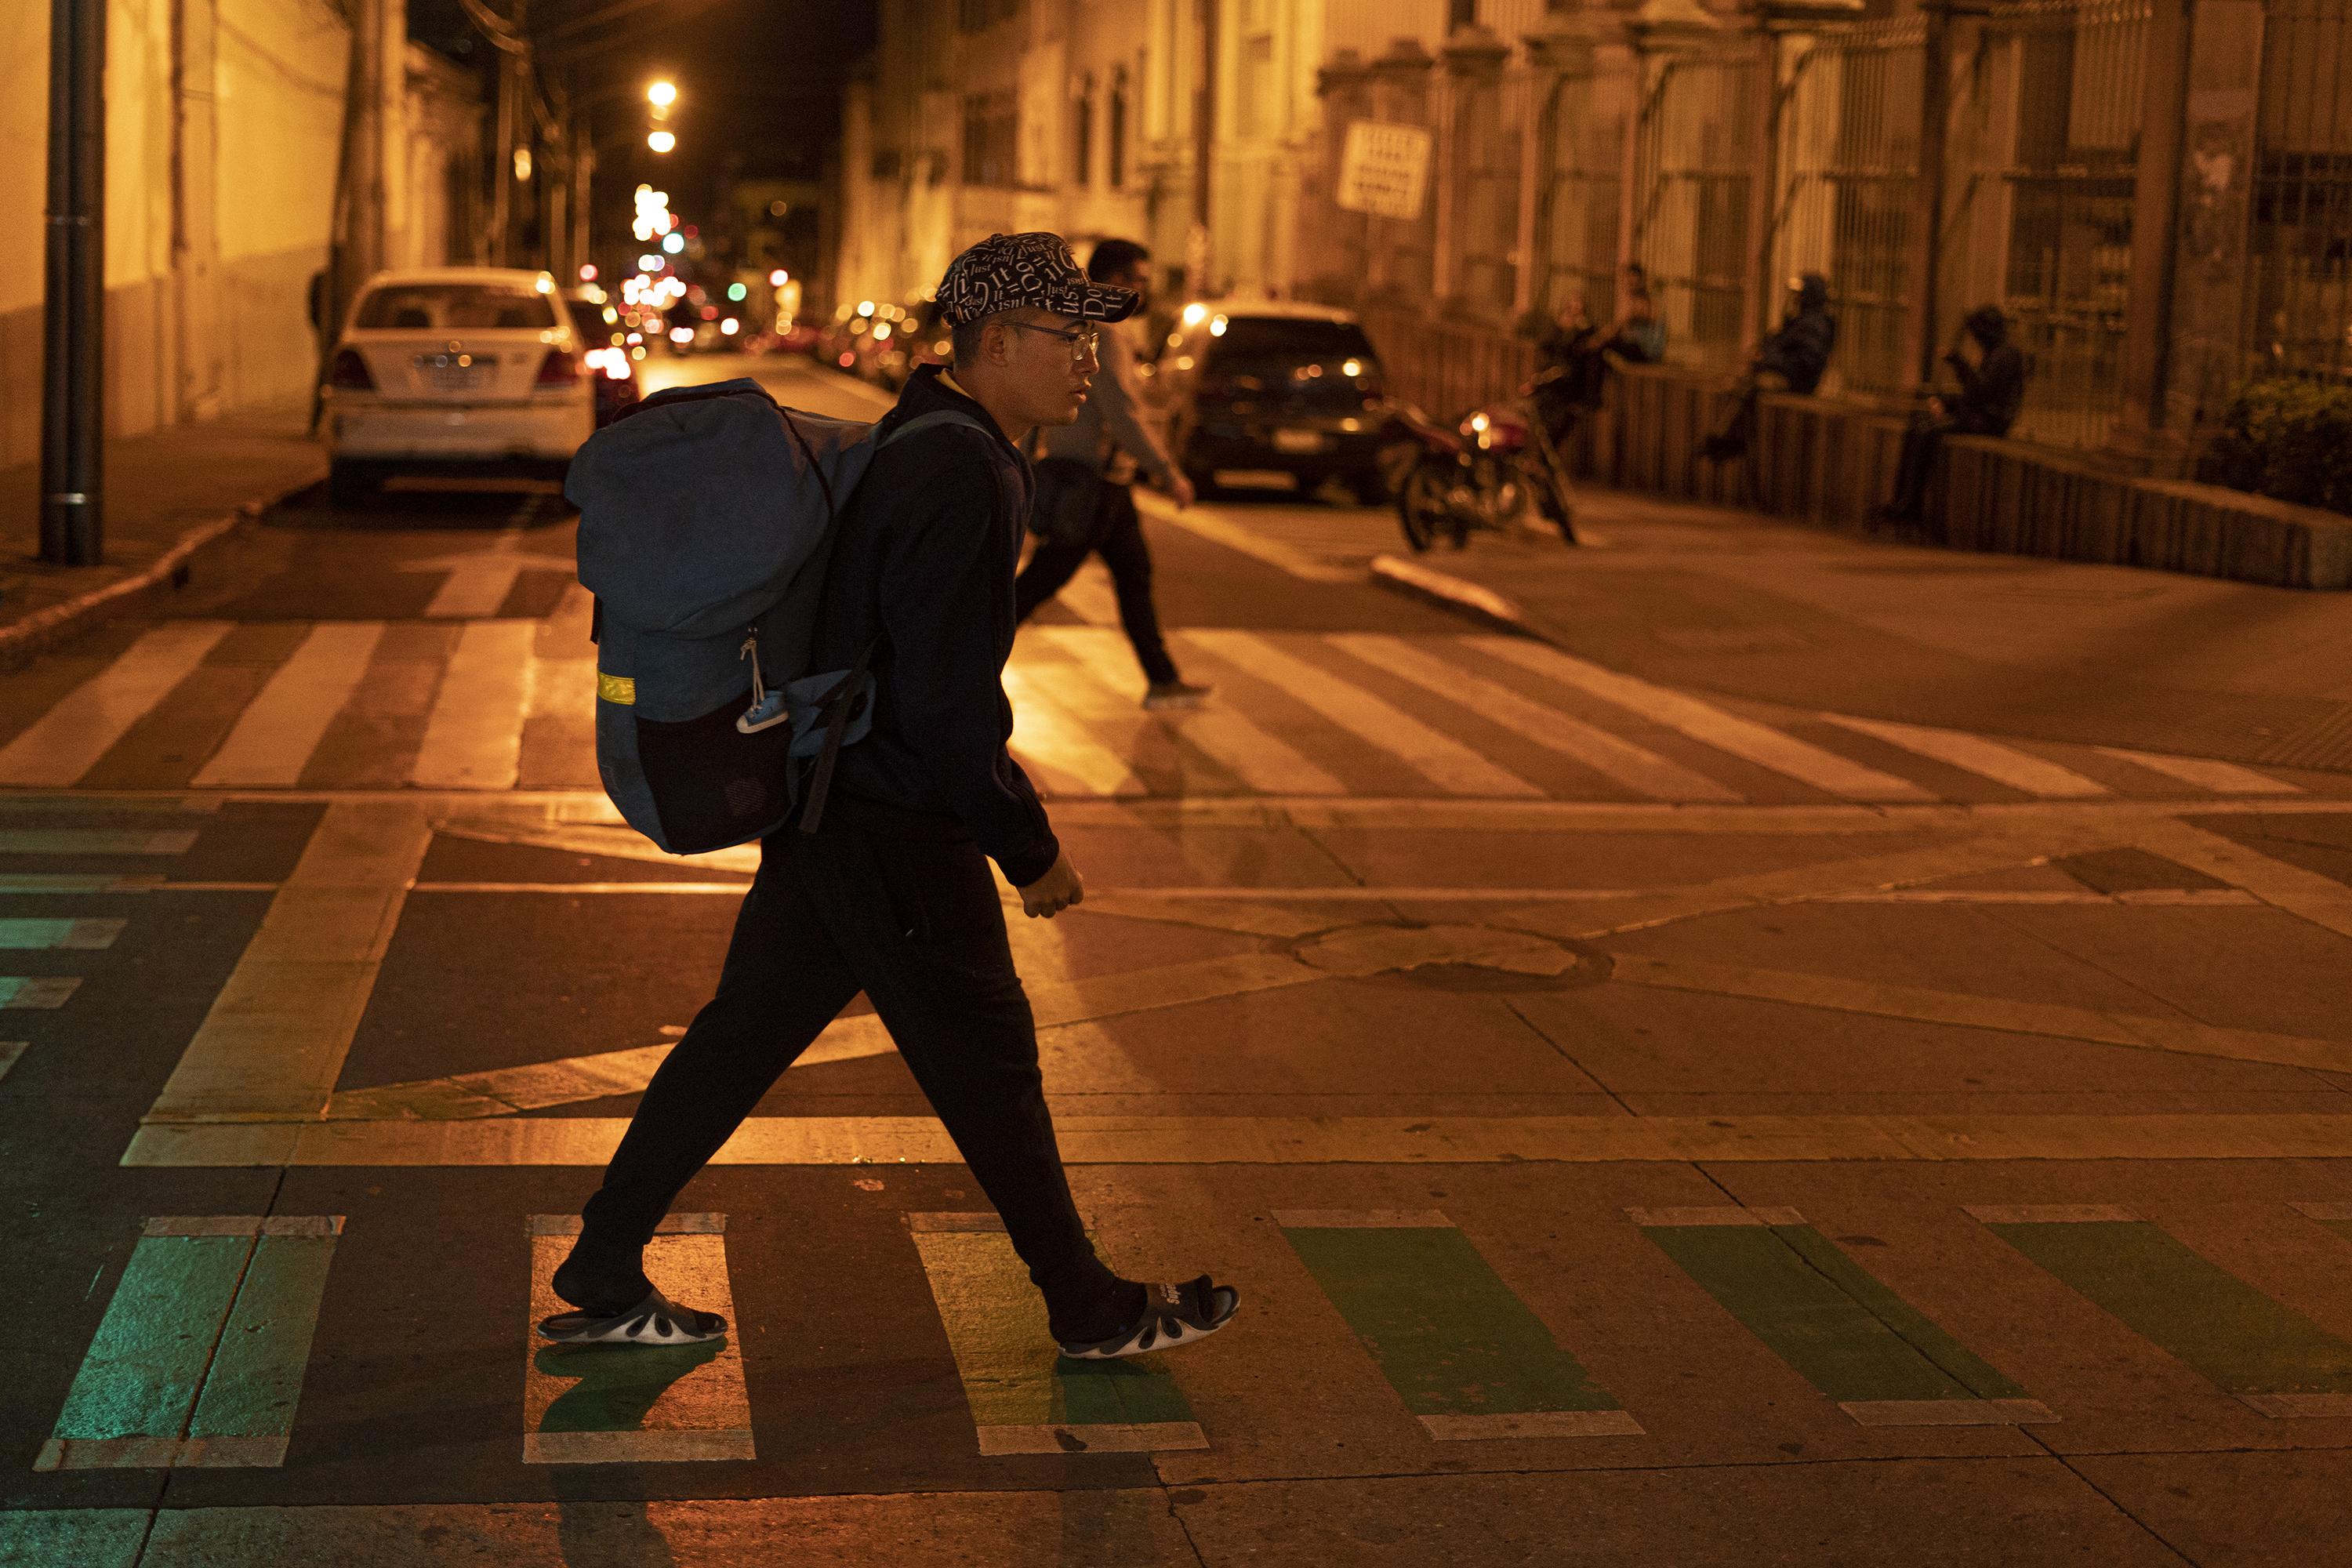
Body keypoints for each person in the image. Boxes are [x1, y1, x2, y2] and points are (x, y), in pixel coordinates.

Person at [540, 232, 1241, 1362]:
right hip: (894, 824)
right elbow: (948, 700)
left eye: (1093, 338)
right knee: (991, 1065)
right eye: (1069, 338)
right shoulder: (964, 471)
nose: (1089, 361)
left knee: (742, 1040)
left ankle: (604, 1261)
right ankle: (1090, 1307)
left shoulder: (925, 436)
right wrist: (1027, 845)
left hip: (834, 806)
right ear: (998, 342)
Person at [1016, 238, 1210, 710]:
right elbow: (1122, 412)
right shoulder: (1105, 330)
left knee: (1133, 575)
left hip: (1102, 483)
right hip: (1092, 483)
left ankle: (1162, 679)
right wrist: (1167, 471)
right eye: (1139, 280)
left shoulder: (1075, 326)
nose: (1144, 291)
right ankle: (962, 658)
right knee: (1039, 583)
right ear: (1116, 280)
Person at [1872, 305, 2028, 526]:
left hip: (1990, 420)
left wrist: (1958, 362)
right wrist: (1947, 401)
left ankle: (1912, 504)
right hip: (1981, 414)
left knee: (1927, 432)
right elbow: (1977, 393)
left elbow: (1982, 392)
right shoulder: (1996, 353)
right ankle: (1902, 499)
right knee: (1917, 426)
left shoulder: (2006, 355)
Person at [1698, 272, 1837, 463]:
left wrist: (1766, 359)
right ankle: (1728, 438)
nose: (1794, 298)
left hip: (1796, 381)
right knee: (1739, 384)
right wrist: (1761, 353)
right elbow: (1775, 341)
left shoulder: (1816, 324)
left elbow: (1804, 362)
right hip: (1782, 372)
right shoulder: (1800, 319)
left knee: (1750, 386)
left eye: (1799, 293)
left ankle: (1725, 438)